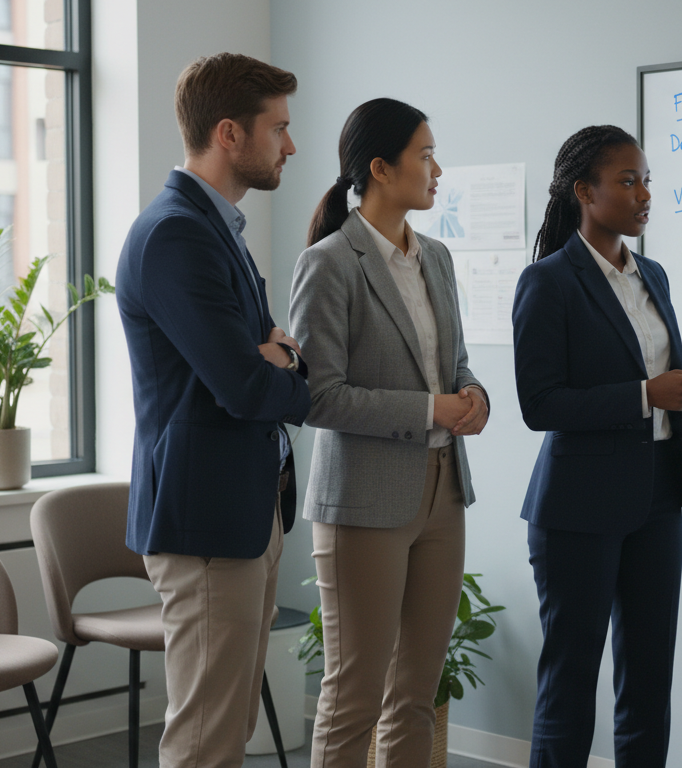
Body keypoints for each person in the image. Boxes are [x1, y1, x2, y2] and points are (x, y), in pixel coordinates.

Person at [512, 125, 682, 768]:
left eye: (647, 181)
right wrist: (642, 395)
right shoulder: (548, 282)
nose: (644, 195)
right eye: (627, 180)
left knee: (648, 684)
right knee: (571, 685)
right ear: (585, 191)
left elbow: (674, 389)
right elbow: (540, 405)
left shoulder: (653, 275)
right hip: (578, 510)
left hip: (658, 499)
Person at [115, 53, 307, 768]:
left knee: (226, 732)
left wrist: (279, 358)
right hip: (207, 520)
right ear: (229, 133)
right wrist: (287, 361)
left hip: (243, 509)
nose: (292, 145)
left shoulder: (215, 226)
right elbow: (248, 386)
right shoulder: (176, 233)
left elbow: (270, 366)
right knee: (205, 740)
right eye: (279, 129)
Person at [289, 98, 489, 768]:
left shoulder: (436, 258)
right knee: (354, 698)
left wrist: (473, 397)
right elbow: (319, 397)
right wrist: (430, 410)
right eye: (424, 154)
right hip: (364, 503)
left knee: (415, 692)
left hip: (442, 493)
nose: (438, 168)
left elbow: (453, 364)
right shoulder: (330, 261)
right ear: (379, 167)